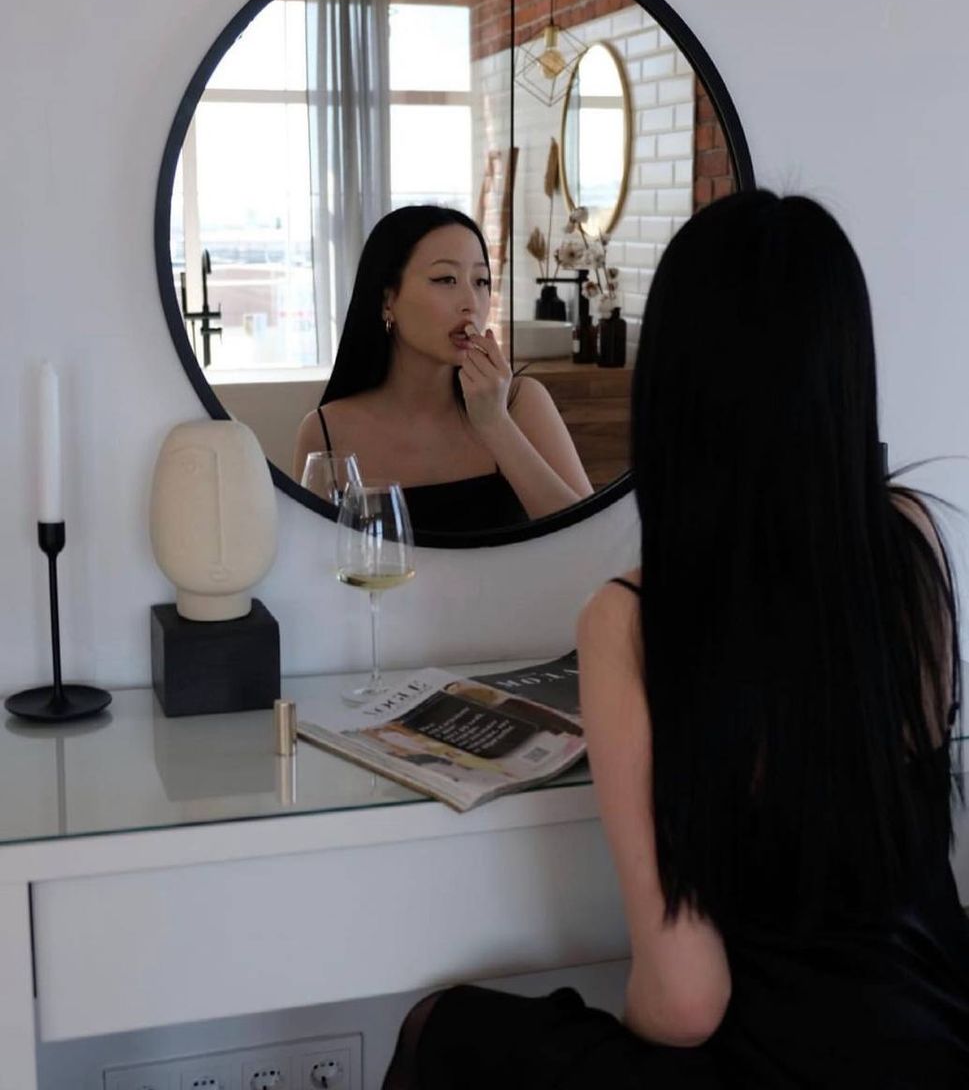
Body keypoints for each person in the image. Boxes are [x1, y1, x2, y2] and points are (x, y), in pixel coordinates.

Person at [381, 191, 969, 1088]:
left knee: (442, 1029)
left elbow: (685, 1007)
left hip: (773, 1065)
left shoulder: (629, 619)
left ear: (676, 387)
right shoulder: (910, 541)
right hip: (940, 1035)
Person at [292, 205, 593, 532]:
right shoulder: (325, 431)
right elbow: (314, 555)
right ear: (388, 300)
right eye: (446, 279)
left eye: (481, 281)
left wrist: (495, 423)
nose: (471, 302)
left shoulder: (519, 402)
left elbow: (590, 540)